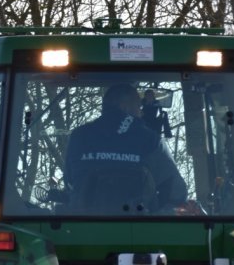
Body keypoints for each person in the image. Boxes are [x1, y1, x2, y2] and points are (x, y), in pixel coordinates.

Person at [64, 83, 188, 212]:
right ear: (125, 107)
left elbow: (69, 181)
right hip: (140, 228)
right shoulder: (150, 140)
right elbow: (176, 192)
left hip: (81, 227)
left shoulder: (79, 137)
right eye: (139, 106)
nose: (141, 112)